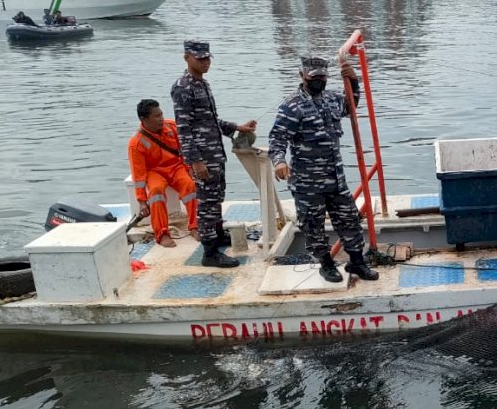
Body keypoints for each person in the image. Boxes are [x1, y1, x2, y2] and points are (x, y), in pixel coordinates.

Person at [268, 57, 379, 283]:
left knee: (349, 219)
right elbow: (277, 137)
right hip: (307, 182)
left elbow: (351, 106)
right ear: (302, 76)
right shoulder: (291, 106)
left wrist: (354, 81)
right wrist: (279, 161)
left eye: (322, 77)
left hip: (335, 177)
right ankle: (326, 264)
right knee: (313, 225)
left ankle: (357, 262)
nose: (319, 81)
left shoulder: (331, 99)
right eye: (314, 77)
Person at [170, 40, 258, 268]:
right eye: (200, 59)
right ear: (186, 58)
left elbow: (210, 121)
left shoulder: (203, 85)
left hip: (215, 153)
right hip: (203, 157)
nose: (205, 62)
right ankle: (209, 253)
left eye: (208, 58)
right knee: (207, 204)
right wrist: (195, 161)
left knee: (217, 198)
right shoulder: (183, 88)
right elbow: (184, 128)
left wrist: (237, 128)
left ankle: (217, 236)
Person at [127, 99, 199, 248]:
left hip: (176, 166)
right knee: (156, 192)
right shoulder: (136, 143)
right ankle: (162, 233)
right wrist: (141, 201)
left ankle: (195, 226)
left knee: (189, 186)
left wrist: (190, 167)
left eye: (161, 114)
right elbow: (138, 174)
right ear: (144, 119)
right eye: (156, 116)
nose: (161, 119)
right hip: (155, 172)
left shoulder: (172, 127)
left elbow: (185, 150)